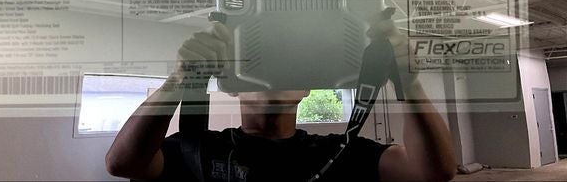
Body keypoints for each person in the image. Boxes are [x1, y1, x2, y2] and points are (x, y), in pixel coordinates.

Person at [106, 16, 457, 182]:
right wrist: (178, 79)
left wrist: (409, 83)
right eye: (259, 64)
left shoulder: (342, 153)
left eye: (289, 65)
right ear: (231, 86)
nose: (275, 74)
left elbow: (433, 170)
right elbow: (122, 163)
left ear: (307, 87)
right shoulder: (195, 149)